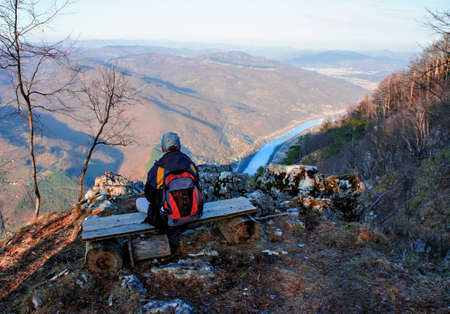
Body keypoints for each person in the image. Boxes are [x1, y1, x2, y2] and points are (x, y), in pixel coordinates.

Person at [137, 132, 201, 229]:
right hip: (193, 213)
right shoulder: (190, 165)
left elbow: (149, 195)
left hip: (166, 217)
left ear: (163, 149)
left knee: (140, 201)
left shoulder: (159, 168)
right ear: (179, 147)